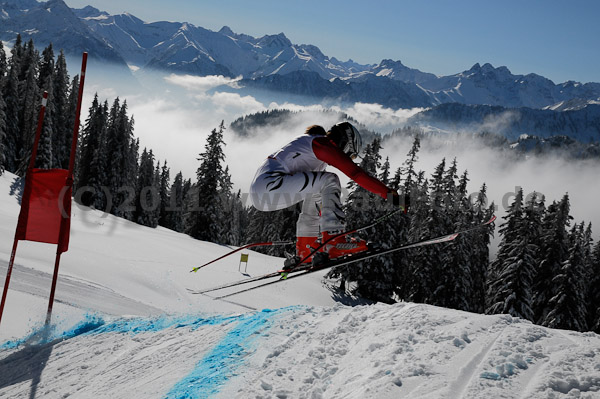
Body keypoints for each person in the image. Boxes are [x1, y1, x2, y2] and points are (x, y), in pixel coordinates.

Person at [249, 122, 405, 267]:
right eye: (349, 154)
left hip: (261, 192)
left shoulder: (311, 146)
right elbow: (355, 173)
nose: (346, 158)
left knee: (318, 189)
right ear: (345, 143)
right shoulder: (321, 143)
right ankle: (334, 240)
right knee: (330, 180)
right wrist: (390, 195)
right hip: (270, 184)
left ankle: (305, 250)